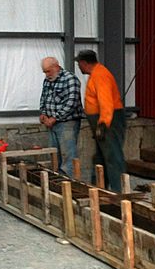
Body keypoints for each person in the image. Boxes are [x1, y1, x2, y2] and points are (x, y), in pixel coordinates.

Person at [75, 49, 126, 191]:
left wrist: (103, 124)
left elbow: (106, 102)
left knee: (112, 155)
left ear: (84, 63)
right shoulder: (96, 74)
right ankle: (100, 187)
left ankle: (118, 191)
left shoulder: (100, 75)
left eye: (79, 63)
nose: (78, 67)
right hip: (103, 119)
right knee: (101, 156)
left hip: (108, 120)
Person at [39, 56, 84, 178]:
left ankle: (71, 182)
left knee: (68, 155)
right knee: (55, 154)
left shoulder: (70, 79)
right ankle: (57, 179)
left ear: (56, 67)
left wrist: (54, 118)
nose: (46, 74)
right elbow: (43, 97)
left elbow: (71, 103)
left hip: (67, 123)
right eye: (44, 72)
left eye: (48, 71)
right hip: (52, 123)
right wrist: (43, 113)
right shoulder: (47, 80)